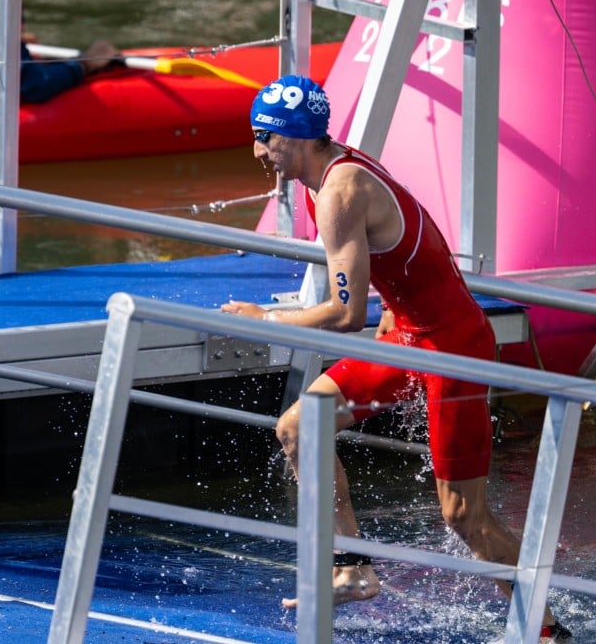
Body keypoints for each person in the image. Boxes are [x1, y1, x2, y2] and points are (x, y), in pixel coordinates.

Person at [221, 75, 571, 641]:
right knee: (300, 426)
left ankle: (549, 632)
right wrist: (395, 310)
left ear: (298, 138)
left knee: (464, 517)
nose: (258, 150)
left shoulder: (338, 191)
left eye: (265, 137)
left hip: (455, 351)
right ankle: (353, 568)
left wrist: (264, 320)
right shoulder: (326, 172)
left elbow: (340, 313)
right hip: (410, 336)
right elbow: (397, 261)